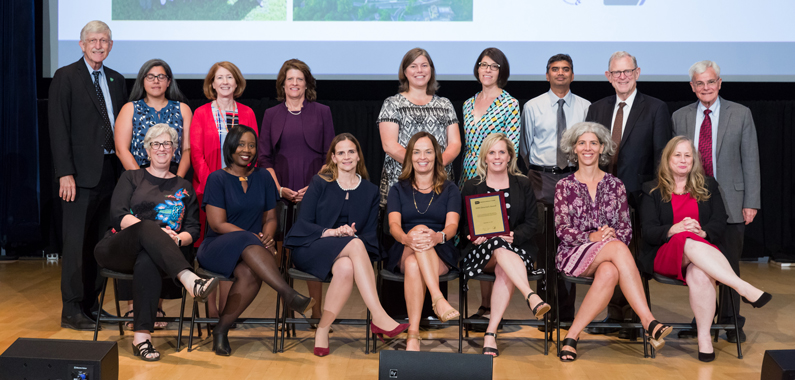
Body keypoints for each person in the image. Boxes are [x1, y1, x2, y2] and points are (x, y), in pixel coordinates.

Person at [638, 136, 771, 362]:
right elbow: (648, 231)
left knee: (700, 276)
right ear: (667, 159)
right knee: (686, 239)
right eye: (677, 155)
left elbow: (720, 220)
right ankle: (741, 286)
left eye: (687, 155)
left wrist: (703, 233)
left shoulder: (708, 185)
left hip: (701, 254)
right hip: (666, 254)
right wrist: (675, 229)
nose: (683, 160)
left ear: (694, 160)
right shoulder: (651, 189)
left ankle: (704, 339)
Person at [94, 124, 219, 361]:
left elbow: (193, 228)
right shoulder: (131, 177)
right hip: (117, 247)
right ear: (147, 150)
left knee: (148, 260)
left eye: (167, 144)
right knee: (149, 227)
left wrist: (178, 238)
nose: (162, 148)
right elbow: (119, 215)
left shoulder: (184, 187)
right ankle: (188, 278)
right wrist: (159, 233)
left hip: (157, 255)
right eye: (156, 144)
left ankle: (142, 339)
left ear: (174, 151)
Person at [554, 122, 671, 362]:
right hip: (573, 254)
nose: (588, 148)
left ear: (602, 148)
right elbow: (562, 230)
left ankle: (571, 337)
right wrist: (592, 237)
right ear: (574, 149)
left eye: (593, 143)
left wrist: (609, 237)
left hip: (609, 255)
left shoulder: (616, 185)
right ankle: (648, 320)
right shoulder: (564, 186)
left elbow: (626, 230)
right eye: (582, 143)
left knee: (609, 272)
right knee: (616, 248)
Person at [284, 133, 409, 357]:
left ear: (358, 156)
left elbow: (370, 235)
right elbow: (303, 225)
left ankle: (322, 329)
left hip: (348, 254)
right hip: (312, 247)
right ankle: (379, 315)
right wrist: (333, 232)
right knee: (354, 243)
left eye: (351, 151)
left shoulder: (370, 191)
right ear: (333, 158)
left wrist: (350, 234)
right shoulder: (320, 182)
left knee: (346, 266)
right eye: (341, 153)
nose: (346, 157)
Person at [197, 125, 314, 356]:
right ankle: (287, 293)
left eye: (251, 145)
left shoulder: (263, 177)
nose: (247, 150)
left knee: (251, 275)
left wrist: (268, 235)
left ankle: (221, 330)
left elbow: (271, 217)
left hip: (253, 250)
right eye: (241, 144)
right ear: (230, 146)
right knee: (246, 240)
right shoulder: (217, 178)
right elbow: (217, 224)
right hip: (217, 248)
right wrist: (252, 236)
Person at [672, 60, 761, 344]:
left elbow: (751, 160)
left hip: (733, 201)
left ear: (719, 83)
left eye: (711, 82)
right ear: (692, 87)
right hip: (695, 201)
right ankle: (703, 320)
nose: (706, 87)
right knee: (700, 266)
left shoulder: (741, 113)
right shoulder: (680, 116)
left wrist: (752, 201)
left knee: (729, 265)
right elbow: (677, 161)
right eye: (700, 83)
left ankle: (731, 321)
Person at [49, 20, 128, 330]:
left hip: (111, 173)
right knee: (76, 243)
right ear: (82, 45)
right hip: (79, 177)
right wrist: (64, 173)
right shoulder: (65, 77)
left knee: (100, 243)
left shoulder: (116, 79)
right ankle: (71, 309)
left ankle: (91, 304)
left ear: (110, 45)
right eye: (93, 40)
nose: (99, 45)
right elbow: (58, 128)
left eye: (104, 40)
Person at [584, 51, 671, 335]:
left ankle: (635, 318)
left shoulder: (656, 108)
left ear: (637, 73)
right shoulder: (596, 108)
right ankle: (614, 314)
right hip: (601, 195)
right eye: (616, 72)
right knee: (607, 252)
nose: (622, 77)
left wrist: (653, 195)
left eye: (627, 71)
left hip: (638, 196)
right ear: (608, 77)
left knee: (631, 255)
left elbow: (661, 156)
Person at [113, 59, 194, 327]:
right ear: (142, 81)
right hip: (137, 181)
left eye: (162, 76)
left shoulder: (182, 108)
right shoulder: (130, 108)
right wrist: (142, 178)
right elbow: (122, 148)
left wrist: (175, 181)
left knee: (163, 236)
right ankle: (132, 308)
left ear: (169, 81)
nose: (156, 81)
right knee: (136, 238)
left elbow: (187, 150)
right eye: (150, 76)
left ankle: (155, 307)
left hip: (172, 185)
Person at [459, 133, 551, 357]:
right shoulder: (472, 186)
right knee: (497, 247)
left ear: (510, 156)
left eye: (502, 152)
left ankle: (490, 333)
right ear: (485, 157)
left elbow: (532, 223)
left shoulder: (523, 183)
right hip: (481, 253)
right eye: (492, 152)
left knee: (503, 262)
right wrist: (474, 236)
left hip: (516, 248)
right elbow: (463, 226)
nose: (497, 157)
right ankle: (531, 295)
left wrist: (514, 235)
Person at [259, 59, 335, 323]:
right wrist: (278, 188)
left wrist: (313, 186)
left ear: (307, 84)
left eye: (299, 79)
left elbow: (332, 155)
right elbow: (264, 158)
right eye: (289, 79)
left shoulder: (322, 111)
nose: (294, 83)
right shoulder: (271, 114)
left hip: (315, 188)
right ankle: (288, 305)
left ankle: (317, 312)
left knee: (313, 246)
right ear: (283, 83)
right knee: (282, 250)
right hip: (280, 190)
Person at [519, 53, 591, 330]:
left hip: (574, 179)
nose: (560, 73)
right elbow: (525, 147)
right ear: (547, 74)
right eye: (554, 69)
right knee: (544, 246)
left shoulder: (586, 107)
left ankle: (566, 313)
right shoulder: (533, 106)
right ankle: (547, 312)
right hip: (541, 177)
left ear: (573, 75)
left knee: (570, 245)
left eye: (566, 69)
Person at [190, 61, 258, 320]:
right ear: (212, 83)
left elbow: (252, 153)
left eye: (230, 77)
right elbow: (196, 154)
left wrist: (239, 188)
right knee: (212, 251)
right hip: (209, 192)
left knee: (233, 252)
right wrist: (215, 186)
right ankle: (210, 309)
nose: (225, 82)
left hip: (240, 193)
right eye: (220, 78)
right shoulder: (201, 113)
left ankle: (227, 310)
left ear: (237, 82)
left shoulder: (248, 113)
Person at [459, 48, 520, 327]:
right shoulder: (468, 103)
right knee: (475, 239)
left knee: (493, 235)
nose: (487, 70)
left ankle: (492, 309)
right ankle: (483, 307)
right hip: (468, 179)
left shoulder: (510, 104)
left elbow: (512, 147)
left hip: (495, 177)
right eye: (483, 65)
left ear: (501, 71)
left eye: (493, 66)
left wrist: (496, 172)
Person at [386, 132, 461, 352]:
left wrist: (438, 236)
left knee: (413, 265)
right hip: (404, 245)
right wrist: (407, 238)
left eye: (428, 151)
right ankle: (438, 298)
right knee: (418, 231)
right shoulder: (398, 189)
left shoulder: (450, 189)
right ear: (409, 156)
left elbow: (452, 227)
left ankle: (413, 334)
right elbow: (394, 227)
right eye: (417, 152)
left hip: (441, 249)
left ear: (437, 156)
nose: (423, 157)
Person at [378, 48, 461, 206]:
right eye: (413, 66)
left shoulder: (445, 104)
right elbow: (389, 145)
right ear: (405, 72)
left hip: (440, 182)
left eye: (424, 65)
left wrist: (435, 166)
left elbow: (455, 144)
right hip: (402, 181)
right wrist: (420, 165)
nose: (419, 70)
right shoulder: (392, 104)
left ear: (431, 70)